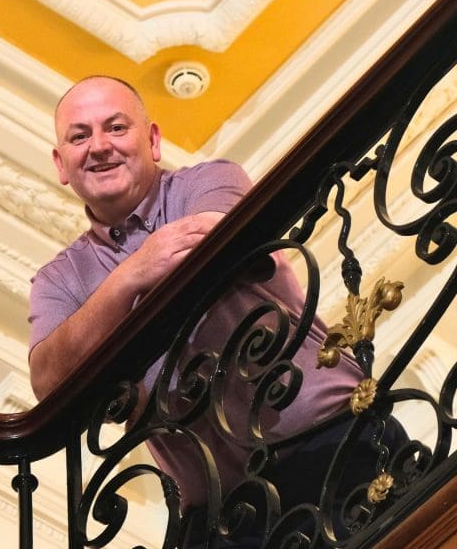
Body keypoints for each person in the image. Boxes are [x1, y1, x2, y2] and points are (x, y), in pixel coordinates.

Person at [27, 76, 394, 543]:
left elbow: (213, 246)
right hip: (223, 517)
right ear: (61, 164)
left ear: (153, 140)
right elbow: (47, 380)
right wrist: (132, 273)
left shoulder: (209, 179)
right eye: (80, 136)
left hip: (335, 447)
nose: (99, 146)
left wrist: (100, 319)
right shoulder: (58, 279)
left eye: (116, 128)